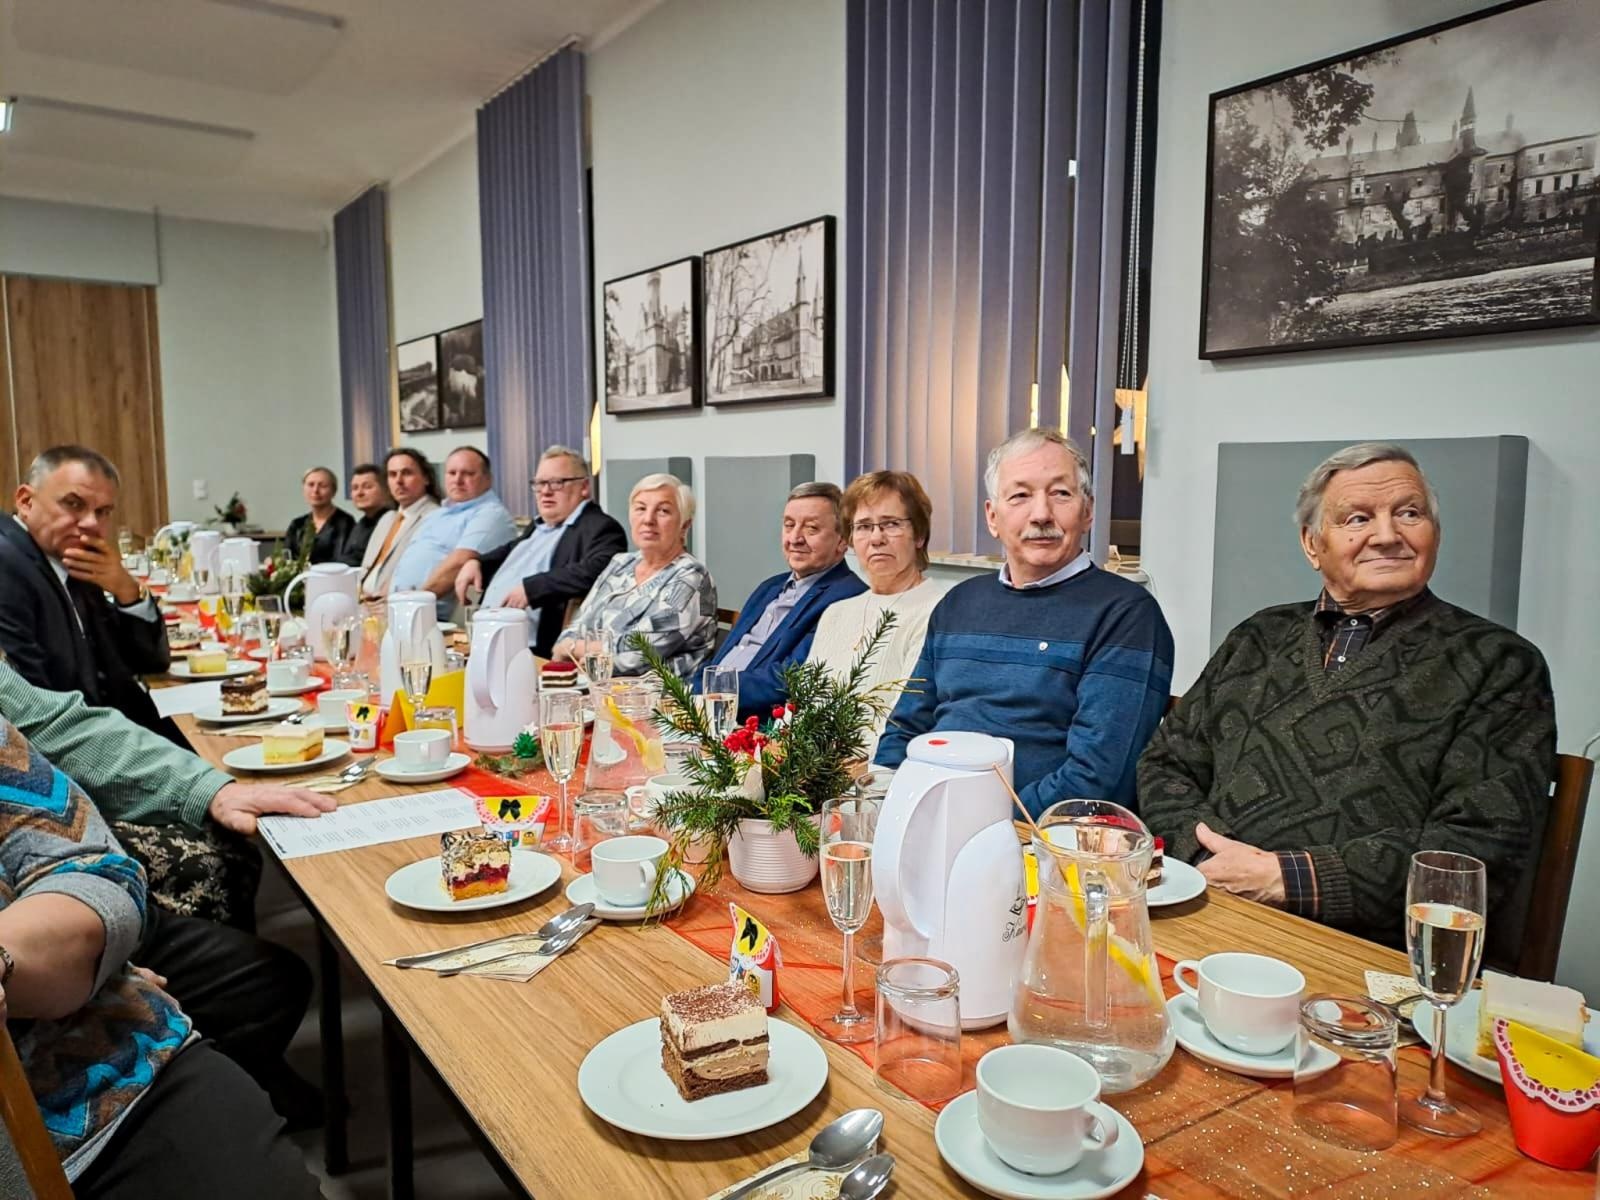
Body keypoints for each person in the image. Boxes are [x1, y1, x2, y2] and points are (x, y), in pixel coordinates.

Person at [1138, 443, 1555, 947]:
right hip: (1210, 909)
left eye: (1409, 513)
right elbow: (1166, 765)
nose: (1386, 535)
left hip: (1361, 950)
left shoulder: (1499, 663)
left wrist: (1284, 878)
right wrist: (1208, 858)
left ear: (1435, 534)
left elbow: (1477, 850)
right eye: (1357, 518)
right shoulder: (1260, 636)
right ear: (1312, 545)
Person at [1, 652, 332, 1124]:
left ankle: (249, 1082)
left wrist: (209, 789)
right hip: (36, 1008)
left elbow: (52, 726)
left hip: (60, 919)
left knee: (266, 978)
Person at [875, 429, 1173, 817]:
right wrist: (885, 802)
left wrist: (978, 820)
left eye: (1061, 494)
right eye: (1020, 495)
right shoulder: (958, 604)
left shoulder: (1126, 614)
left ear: (1088, 511)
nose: (1041, 514)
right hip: (924, 819)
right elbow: (904, 728)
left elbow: (1097, 780)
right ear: (993, 517)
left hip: (1035, 843)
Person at [0, 446, 178, 746]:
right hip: (81, 753)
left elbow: (149, 662)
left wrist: (125, 589)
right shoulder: (7, 563)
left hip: (121, 727)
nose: (92, 524)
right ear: (26, 501)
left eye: (103, 511)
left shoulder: (72, 558)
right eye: (74, 504)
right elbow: (33, 711)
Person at [805, 471, 942, 759]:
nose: (877, 538)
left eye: (891, 524)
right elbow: (805, 704)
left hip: (873, 773)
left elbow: (901, 722)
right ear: (851, 539)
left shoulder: (936, 611)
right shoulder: (836, 612)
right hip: (810, 765)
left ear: (919, 535)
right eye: (864, 526)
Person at [701, 482, 866, 721]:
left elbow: (790, 678)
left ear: (842, 539)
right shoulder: (770, 587)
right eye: (789, 525)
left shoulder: (848, 597)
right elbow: (723, 659)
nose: (795, 538)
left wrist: (709, 689)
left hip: (756, 726)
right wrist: (689, 689)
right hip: (710, 709)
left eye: (811, 528)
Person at [455, 445, 628, 657]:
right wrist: (478, 562)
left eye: (557, 483)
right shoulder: (540, 526)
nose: (545, 491)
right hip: (485, 640)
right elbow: (513, 550)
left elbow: (599, 569)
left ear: (583, 487)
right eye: (540, 483)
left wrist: (533, 589)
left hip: (531, 651)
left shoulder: (600, 527)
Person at [552, 473, 716, 679]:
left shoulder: (691, 578)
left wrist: (575, 647)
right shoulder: (620, 563)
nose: (648, 520)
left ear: (684, 526)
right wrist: (579, 647)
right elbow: (574, 628)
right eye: (640, 508)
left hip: (659, 701)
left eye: (663, 511)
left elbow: (637, 654)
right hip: (597, 687)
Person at [389, 446, 518, 617]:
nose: (457, 480)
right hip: (401, 609)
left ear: (488, 479)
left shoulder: (491, 514)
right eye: (451, 473)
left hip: (432, 616)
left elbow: (459, 563)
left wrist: (413, 604)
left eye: (468, 474)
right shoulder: (437, 513)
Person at [358, 447, 441, 599]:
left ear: (426, 478)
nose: (399, 481)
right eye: (392, 474)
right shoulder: (387, 518)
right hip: (363, 602)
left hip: (395, 603)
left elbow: (418, 573)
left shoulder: (435, 517)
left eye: (407, 473)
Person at [284, 466, 355, 564]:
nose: (315, 491)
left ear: (334, 491)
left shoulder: (345, 522)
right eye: (310, 485)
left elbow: (342, 560)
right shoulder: (297, 524)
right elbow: (286, 556)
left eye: (323, 486)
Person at [338, 461, 392, 567]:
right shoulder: (361, 523)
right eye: (355, 488)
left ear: (386, 490)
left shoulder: (392, 521)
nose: (359, 493)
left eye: (367, 487)